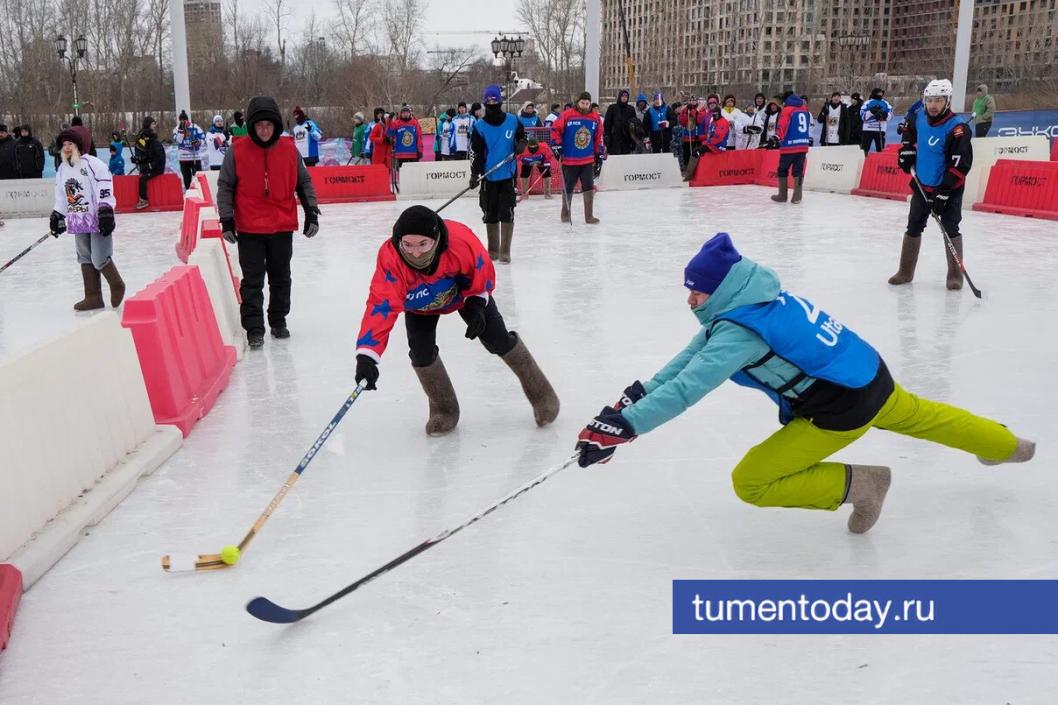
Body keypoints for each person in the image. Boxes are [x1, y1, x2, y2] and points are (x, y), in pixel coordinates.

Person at [572, 232, 1035, 534]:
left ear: (723, 289)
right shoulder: (754, 300)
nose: (691, 298)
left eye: (698, 290)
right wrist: (632, 402)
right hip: (869, 374)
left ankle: (863, 485)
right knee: (925, 417)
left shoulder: (740, 331)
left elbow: (689, 387)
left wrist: (627, 426)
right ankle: (1005, 444)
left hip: (840, 408)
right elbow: (688, 360)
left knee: (751, 481)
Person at [352, 205, 559, 435]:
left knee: (496, 339)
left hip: (465, 297)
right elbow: (381, 306)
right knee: (421, 353)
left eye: (423, 244)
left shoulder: (460, 241)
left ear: (436, 239)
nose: (415, 253)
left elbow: (482, 270)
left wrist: (477, 303)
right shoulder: (391, 259)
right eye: (407, 245)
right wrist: (367, 357)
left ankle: (542, 394)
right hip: (419, 308)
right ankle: (444, 410)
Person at [217, 96, 320, 350]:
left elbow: (303, 182)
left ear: (275, 125)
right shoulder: (237, 150)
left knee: (281, 276)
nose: (264, 130)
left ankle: (278, 320)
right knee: (252, 280)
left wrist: (311, 212)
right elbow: (225, 186)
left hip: (281, 225)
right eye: (259, 125)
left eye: (269, 125)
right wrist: (227, 219)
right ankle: (254, 328)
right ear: (252, 126)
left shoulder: (288, 150)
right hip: (250, 227)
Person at [890, 79, 973, 291]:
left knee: (950, 228)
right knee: (914, 226)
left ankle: (955, 276)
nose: (933, 105)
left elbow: (961, 164)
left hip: (948, 189)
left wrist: (945, 192)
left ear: (947, 101)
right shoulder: (920, 117)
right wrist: (907, 149)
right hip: (921, 184)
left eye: (939, 100)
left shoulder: (957, 128)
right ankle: (905, 272)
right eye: (930, 100)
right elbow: (908, 127)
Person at [49, 126, 124, 311]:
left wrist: (105, 209)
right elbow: (61, 195)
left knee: (99, 257)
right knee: (84, 257)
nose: (67, 148)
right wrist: (58, 214)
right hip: (77, 219)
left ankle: (117, 284)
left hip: (96, 218)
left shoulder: (93, 164)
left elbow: (104, 187)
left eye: (71, 144)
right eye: (64, 144)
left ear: (79, 145)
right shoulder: (63, 169)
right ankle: (93, 296)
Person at [470, 84, 525, 262]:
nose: (492, 103)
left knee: (506, 211)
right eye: (489, 101)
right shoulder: (479, 127)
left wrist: (522, 144)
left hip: (507, 175)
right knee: (490, 212)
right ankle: (492, 250)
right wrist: (474, 174)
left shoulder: (512, 120)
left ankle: (505, 251)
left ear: (500, 101)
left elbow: (523, 137)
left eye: (495, 100)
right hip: (489, 177)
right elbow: (476, 153)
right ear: (485, 103)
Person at [551, 91, 605, 224]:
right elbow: (554, 129)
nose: (585, 105)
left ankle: (589, 216)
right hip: (570, 159)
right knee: (568, 187)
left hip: (587, 160)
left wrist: (599, 153)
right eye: (582, 103)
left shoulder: (595, 118)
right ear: (578, 102)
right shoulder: (567, 115)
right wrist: (557, 145)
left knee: (588, 187)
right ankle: (565, 214)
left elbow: (598, 136)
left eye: (587, 103)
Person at [769, 91, 811, 204]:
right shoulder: (805, 110)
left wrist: (777, 137)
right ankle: (797, 197)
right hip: (802, 145)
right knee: (798, 170)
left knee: (782, 170)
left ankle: (782, 196)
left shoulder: (787, 110)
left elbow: (783, 125)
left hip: (789, 146)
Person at [132, 117, 166, 209]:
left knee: (143, 179)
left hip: (157, 167)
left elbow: (158, 158)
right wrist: (137, 159)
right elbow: (146, 155)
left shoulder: (155, 143)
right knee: (142, 177)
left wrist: (150, 165)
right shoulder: (147, 141)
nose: (155, 126)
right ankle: (143, 199)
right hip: (151, 164)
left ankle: (144, 200)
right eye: (153, 124)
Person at [172, 111, 204, 190]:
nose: (183, 122)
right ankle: (188, 194)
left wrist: (197, 142)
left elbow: (203, 139)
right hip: (183, 158)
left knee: (198, 177)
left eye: (184, 120)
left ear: (187, 120)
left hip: (195, 157)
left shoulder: (195, 127)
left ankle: (200, 193)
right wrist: (181, 131)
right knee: (187, 179)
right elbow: (178, 141)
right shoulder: (177, 128)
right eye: (181, 120)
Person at [677, 97, 707, 179]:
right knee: (687, 155)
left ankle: (698, 171)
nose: (692, 102)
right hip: (687, 137)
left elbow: (699, 120)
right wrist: (686, 112)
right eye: (690, 100)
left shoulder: (701, 109)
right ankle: (688, 172)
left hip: (697, 137)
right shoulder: (685, 109)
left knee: (697, 155)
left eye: (694, 100)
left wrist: (694, 111)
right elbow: (682, 121)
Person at [388, 104, 422, 171]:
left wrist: (420, 150)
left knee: (414, 172)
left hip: (413, 153)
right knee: (403, 172)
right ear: (401, 114)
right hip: (401, 154)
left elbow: (419, 137)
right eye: (403, 113)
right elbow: (389, 133)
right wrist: (389, 121)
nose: (405, 114)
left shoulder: (415, 123)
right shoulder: (396, 123)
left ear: (410, 114)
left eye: (407, 113)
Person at [603, 89, 637, 156]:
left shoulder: (631, 109)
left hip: (627, 139)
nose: (624, 98)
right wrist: (607, 137)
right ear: (619, 97)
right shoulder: (612, 108)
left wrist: (633, 140)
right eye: (623, 96)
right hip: (614, 139)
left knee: (626, 160)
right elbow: (607, 124)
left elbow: (634, 125)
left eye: (626, 96)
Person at [859, 88, 892, 155]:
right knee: (864, 149)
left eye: (881, 93)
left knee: (880, 149)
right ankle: (863, 162)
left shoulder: (885, 103)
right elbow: (863, 116)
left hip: (880, 129)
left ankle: (880, 162)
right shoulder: (867, 103)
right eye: (878, 93)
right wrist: (871, 111)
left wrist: (885, 115)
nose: (880, 95)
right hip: (868, 129)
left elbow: (891, 115)